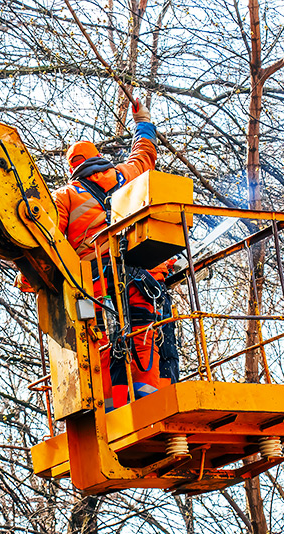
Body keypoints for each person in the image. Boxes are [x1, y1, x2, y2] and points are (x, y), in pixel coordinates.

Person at [57, 101, 175, 411]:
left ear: (72, 169)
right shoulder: (128, 172)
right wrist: (142, 119)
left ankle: (113, 406)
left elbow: (49, 243)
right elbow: (145, 152)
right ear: (97, 157)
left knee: (102, 338)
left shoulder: (66, 196)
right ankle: (149, 397)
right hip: (145, 275)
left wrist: (28, 279)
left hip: (96, 284)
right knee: (145, 330)